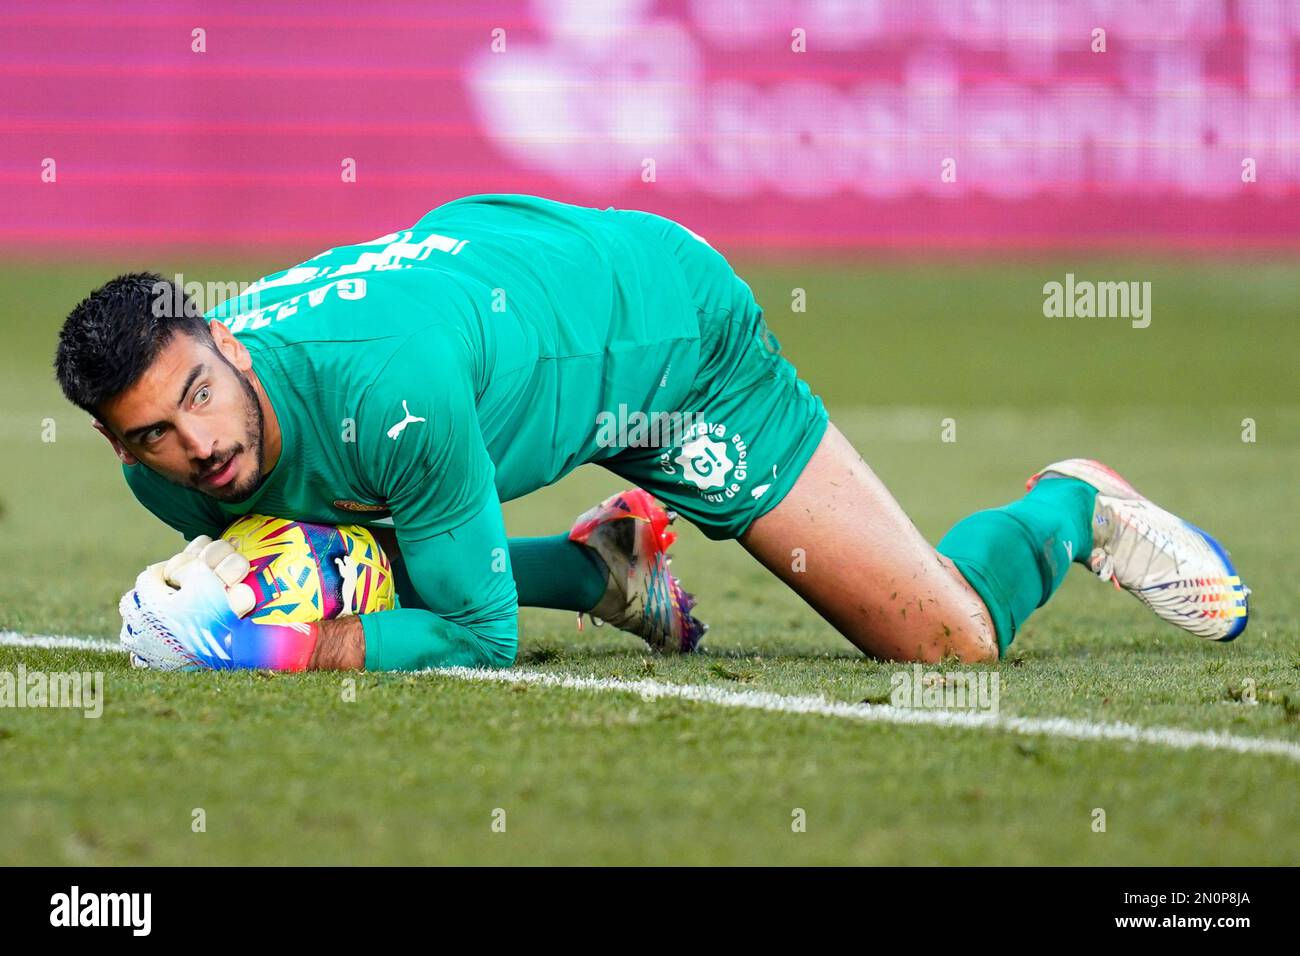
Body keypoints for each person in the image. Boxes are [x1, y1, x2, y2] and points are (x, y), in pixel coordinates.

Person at [54, 195, 1249, 672]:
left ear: (227, 344)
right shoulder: (176, 465)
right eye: (154, 434)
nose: (197, 446)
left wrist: (283, 651)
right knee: (360, 551)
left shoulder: (390, 392)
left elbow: (470, 634)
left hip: (664, 338)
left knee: (945, 647)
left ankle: (1070, 506)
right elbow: (351, 560)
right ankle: (604, 566)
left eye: (199, 397)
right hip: (513, 285)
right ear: (120, 447)